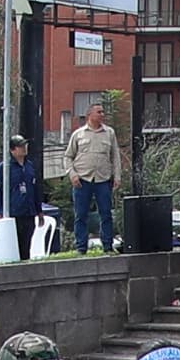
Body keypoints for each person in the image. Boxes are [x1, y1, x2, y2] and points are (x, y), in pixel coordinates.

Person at [68, 99, 121, 252]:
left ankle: (107, 246)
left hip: (103, 179)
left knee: (106, 214)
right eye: (99, 112)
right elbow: (68, 156)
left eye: (103, 112)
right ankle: (81, 247)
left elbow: (115, 156)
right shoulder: (78, 134)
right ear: (89, 114)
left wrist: (117, 176)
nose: (102, 115)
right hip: (82, 179)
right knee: (81, 215)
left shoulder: (109, 133)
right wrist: (72, 175)